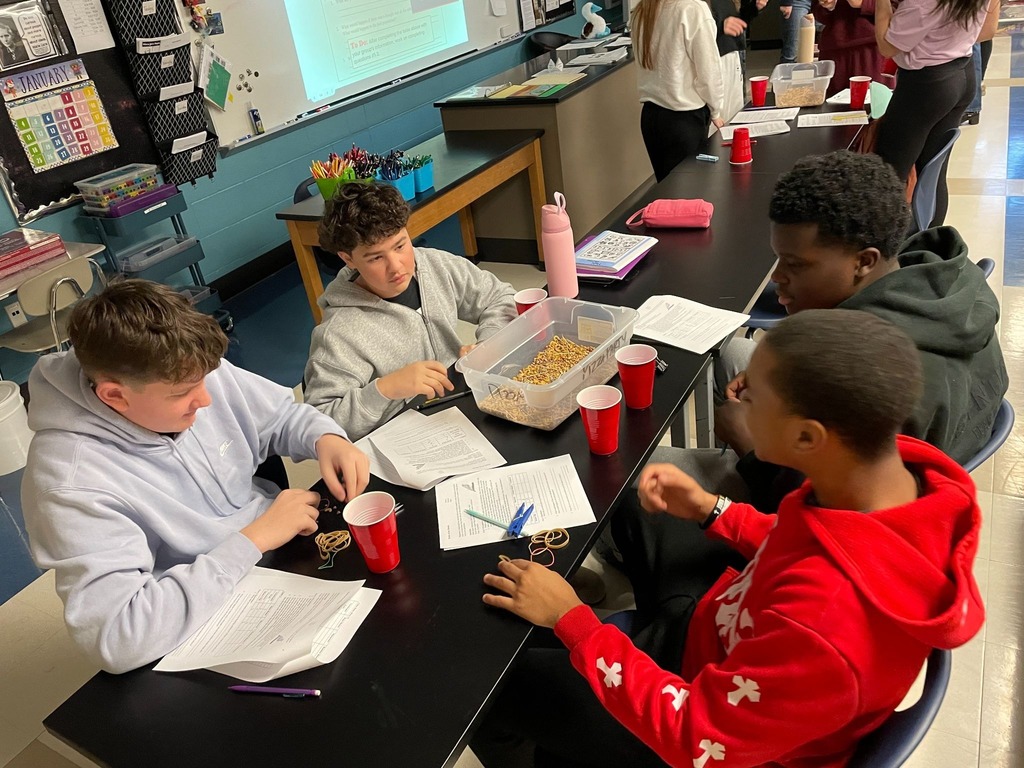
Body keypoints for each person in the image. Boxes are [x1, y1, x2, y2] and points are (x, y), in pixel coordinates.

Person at [471, 310, 985, 768]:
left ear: (806, 438)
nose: (737, 398)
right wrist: (712, 510)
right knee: (635, 501)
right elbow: (808, 540)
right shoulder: (883, 478)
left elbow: (695, 736)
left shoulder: (826, 631)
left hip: (706, 725)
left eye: (754, 397)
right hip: (724, 635)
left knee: (493, 689)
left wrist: (574, 622)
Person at [22, 280, 370, 674]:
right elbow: (118, 637)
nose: (205, 400)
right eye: (183, 394)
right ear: (114, 396)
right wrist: (253, 539)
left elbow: (280, 417)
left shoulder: (183, 365)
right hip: (201, 617)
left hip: (278, 559)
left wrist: (324, 437)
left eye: (207, 379)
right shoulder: (70, 481)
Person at [712, 150, 1008, 511]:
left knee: (654, 475)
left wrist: (749, 448)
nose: (777, 278)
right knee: (733, 353)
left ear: (863, 262)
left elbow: (830, 517)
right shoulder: (934, 279)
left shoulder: (869, 378)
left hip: (843, 526)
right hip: (924, 453)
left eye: (794, 264)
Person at [304, 182, 516, 440]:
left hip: (464, 408)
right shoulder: (338, 333)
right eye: (375, 258)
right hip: (408, 438)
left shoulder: (433, 264)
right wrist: (385, 389)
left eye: (400, 246)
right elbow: (320, 425)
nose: (396, 267)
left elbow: (500, 296)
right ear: (348, 259)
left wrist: (488, 342)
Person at [873, 0, 1000, 227]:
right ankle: (931, 242)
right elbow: (987, 31)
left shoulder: (922, 3)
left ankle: (885, 252)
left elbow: (887, 46)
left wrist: (881, 4)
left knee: (889, 174)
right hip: (962, 74)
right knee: (933, 171)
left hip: (926, 86)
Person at [632, 0, 726, 181]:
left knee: (668, 195)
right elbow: (708, 72)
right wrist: (716, 110)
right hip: (684, 120)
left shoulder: (641, 10)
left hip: (651, 118)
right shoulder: (692, 9)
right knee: (692, 194)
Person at [813, 0, 886, 96]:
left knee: (876, 103)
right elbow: (818, 11)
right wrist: (828, 6)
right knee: (833, 105)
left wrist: (865, 3)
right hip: (835, 48)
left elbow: (897, 7)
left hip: (871, 48)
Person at [707, 0, 765, 120]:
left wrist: (753, 7)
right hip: (712, 61)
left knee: (734, 119)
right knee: (716, 122)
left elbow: (738, 22)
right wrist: (719, 27)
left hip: (733, 55)